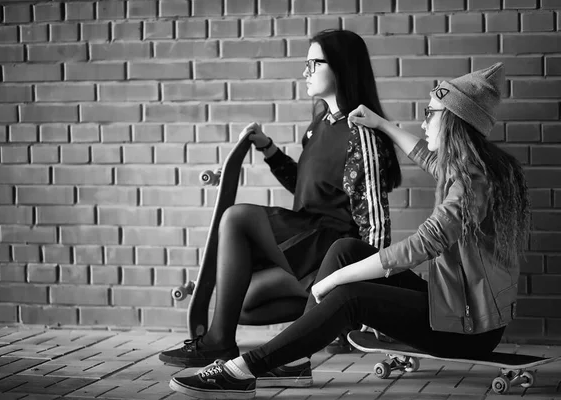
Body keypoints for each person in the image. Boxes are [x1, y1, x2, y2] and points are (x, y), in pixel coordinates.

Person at [167, 62, 532, 399]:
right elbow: (426, 155)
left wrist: (329, 282)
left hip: (467, 330)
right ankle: (292, 360)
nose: (423, 123)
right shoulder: (474, 168)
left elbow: (420, 246)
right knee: (345, 248)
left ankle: (243, 369)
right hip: (455, 309)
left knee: (350, 295)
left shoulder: (471, 184)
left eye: (429, 114)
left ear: (453, 121)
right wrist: (383, 124)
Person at [159, 29, 402, 370]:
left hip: (332, 250)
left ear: (342, 68)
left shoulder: (361, 135)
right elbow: (307, 188)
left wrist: (365, 295)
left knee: (236, 217)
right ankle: (319, 319)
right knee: (240, 302)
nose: (305, 72)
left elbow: (374, 227)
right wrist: (269, 150)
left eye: (313, 63)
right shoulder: (320, 124)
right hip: (311, 239)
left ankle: (219, 343)